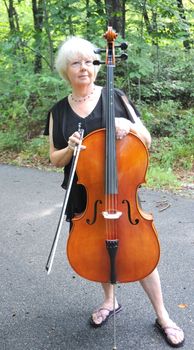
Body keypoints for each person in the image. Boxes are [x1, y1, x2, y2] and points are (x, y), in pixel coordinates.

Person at [44, 36, 185, 348]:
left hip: (122, 192)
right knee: (98, 250)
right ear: (65, 70)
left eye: (90, 62)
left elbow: (145, 138)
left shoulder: (115, 97)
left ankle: (163, 315)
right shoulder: (58, 112)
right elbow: (54, 158)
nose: (84, 68)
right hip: (85, 195)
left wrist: (129, 127)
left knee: (140, 251)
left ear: (98, 66)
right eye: (76, 62)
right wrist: (68, 148)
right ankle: (109, 302)